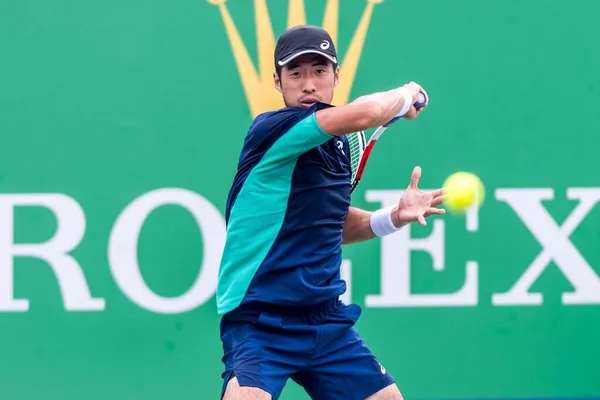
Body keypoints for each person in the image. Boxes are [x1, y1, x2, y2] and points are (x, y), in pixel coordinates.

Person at [216, 24, 445, 400]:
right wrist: (406, 95)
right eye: (296, 73)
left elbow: (331, 225)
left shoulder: (339, 148)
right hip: (260, 320)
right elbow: (370, 111)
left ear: (335, 76)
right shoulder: (273, 129)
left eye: (320, 71)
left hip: (324, 318)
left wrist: (393, 217)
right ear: (278, 82)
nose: (309, 84)